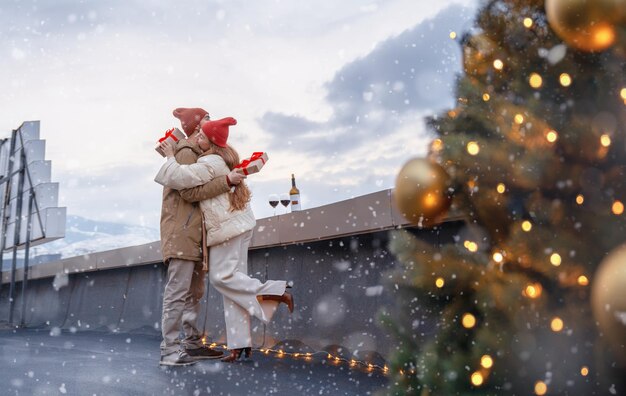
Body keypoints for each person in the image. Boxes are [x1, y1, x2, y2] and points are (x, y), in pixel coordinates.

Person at [155, 116, 294, 362]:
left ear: (209, 141)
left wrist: (169, 156)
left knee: (222, 278)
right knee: (234, 281)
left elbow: (179, 179)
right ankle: (240, 344)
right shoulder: (226, 157)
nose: (198, 137)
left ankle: (274, 292)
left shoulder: (210, 161)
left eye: (202, 135)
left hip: (228, 229)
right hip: (239, 226)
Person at [159, 107, 246, 366]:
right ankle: (170, 351)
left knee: (193, 292)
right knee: (178, 292)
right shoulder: (185, 152)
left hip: (194, 233)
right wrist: (227, 181)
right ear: (197, 128)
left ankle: (192, 344)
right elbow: (187, 192)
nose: (209, 125)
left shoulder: (199, 154)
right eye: (205, 121)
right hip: (183, 232)